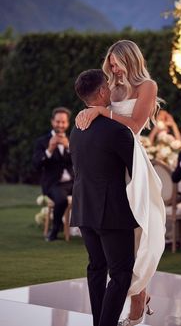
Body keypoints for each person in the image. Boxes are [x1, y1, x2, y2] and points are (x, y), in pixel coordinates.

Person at [75, 40, 166, 326]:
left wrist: (103, 112)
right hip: (111, 162)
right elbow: (97, 110)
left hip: (132, 159)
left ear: (131, 60)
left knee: (142, 233)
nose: (113, 68)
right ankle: (136, 298)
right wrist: (89, 112)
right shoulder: (109, 87)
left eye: (117, 62)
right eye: (110, 63)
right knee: (119, 252)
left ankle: (138, 296)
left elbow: (136, 125)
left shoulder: (147, 86)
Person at [70, 69, 138, 326]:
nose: (110, 89)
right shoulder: (116, 130)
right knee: (120, 274)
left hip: (84, 208)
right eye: (107, 86)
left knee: (96, 268)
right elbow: (137, 170)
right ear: (101, 92)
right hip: (112, 212)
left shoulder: (77, 129)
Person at [33, 107, 74, 241]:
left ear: (67, 123)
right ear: (52, 122)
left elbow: (82, 161)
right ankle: (55, 230)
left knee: (92, 191)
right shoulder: (42, 141)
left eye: (63, 122)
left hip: (73, 182)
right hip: (53, 184)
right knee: (61, 199)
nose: (60, 125)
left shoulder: (72, 140)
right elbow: (36, 165)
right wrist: (49, 149)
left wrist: (69, 147)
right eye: (58, 122)